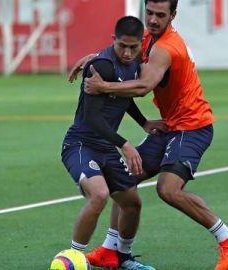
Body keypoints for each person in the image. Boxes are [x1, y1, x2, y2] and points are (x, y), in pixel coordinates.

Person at [69, 1, 228, 269]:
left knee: (168, 189)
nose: (152, 19)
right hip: (169, 126)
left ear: (173, 16)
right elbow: (126, 51)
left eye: (160, 15)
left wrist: (102, 86)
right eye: (149, 13)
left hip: (192, 126)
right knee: (125, 181)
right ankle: (111, 249)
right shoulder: (148, 37)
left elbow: (143, 86)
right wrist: (96, 57)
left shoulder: (167, 48)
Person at [61, 16, 165, 270]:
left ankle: (123, 258)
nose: (128, 53)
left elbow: (121, 96)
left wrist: (143, 122)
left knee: (132, 203)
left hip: (105, 147)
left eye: (133, 47)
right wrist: (125, 144)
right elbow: (92, 117)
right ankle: (73, 257)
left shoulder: (134, 62)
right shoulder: (101, 67)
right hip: (81, 144)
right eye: (122, 47)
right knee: (99, 195)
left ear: (141, 43)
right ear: (113, 41)